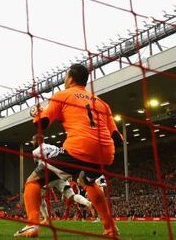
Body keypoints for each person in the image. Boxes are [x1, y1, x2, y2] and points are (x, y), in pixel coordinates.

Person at [14, 64, 122, 237]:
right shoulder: (102, 103)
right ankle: (110, 229)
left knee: (32, 182)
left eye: (65, 76)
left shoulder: (62, 95)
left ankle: (32, 225)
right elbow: (118, 138)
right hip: (106, 152)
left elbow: (41, 125)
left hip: (79, 148)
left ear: (70, 78)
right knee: (88, 181)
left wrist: (36, 113)